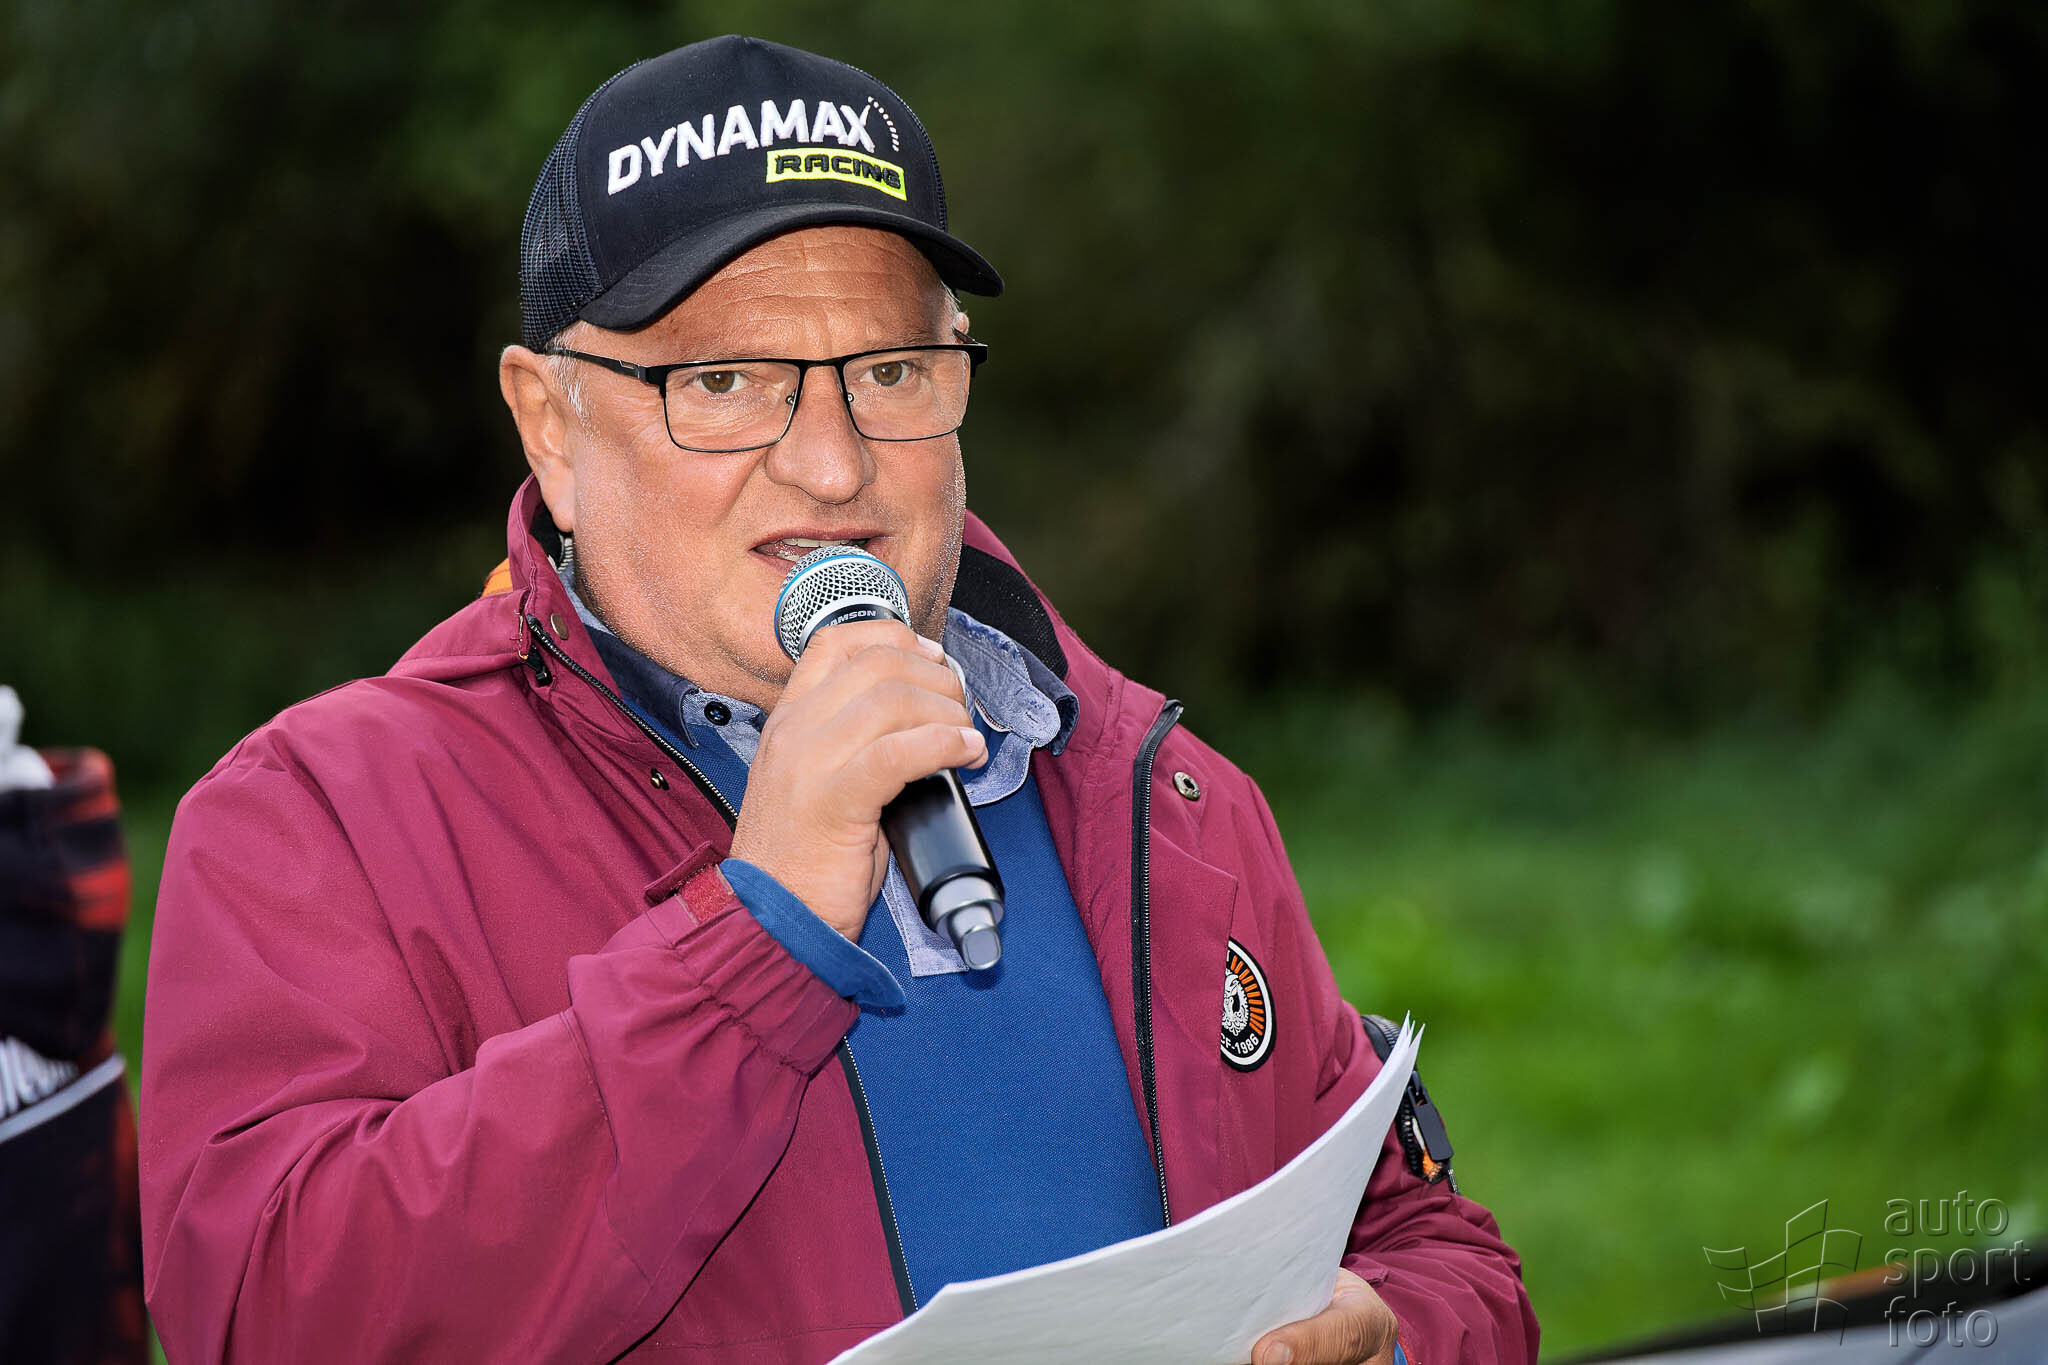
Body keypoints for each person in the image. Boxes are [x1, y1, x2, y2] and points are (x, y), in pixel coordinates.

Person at [140, 34, 1538, 1365]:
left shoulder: (1155, 791)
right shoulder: (319, 822)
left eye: (891, 372)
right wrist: (757, 935)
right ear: (552, 426)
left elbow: (1429, 1244)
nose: (831, 464)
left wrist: (1399, 1331)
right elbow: (268, 1321)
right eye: (724, 381)